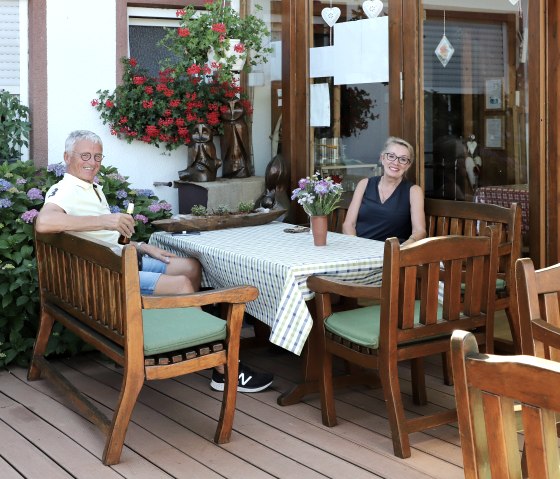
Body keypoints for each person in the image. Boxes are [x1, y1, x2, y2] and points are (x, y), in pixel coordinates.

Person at [35, 130, 273, 393]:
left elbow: (100, 236)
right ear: (67, 157)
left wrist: (143, 246)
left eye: (98, 156)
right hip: (107, 278)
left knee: (191, 266)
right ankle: (225, 369)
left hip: (114, 263)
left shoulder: (89, 187)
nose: (92, 162)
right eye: (85, 156)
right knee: (182, 285)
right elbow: (44, 222)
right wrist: (107, 220)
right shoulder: (66, 189)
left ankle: (180, 342)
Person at [342, 136, 426, 246]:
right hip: (360, 249)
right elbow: (348, 224)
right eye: (391, 156)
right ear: (382, 158)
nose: (396, 163)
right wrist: (357, 245)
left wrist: (403, 248)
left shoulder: (414, 191)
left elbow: (419, 231)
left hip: (393, 254)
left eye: (403, 159)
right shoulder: (364, 184)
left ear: (408, 166)